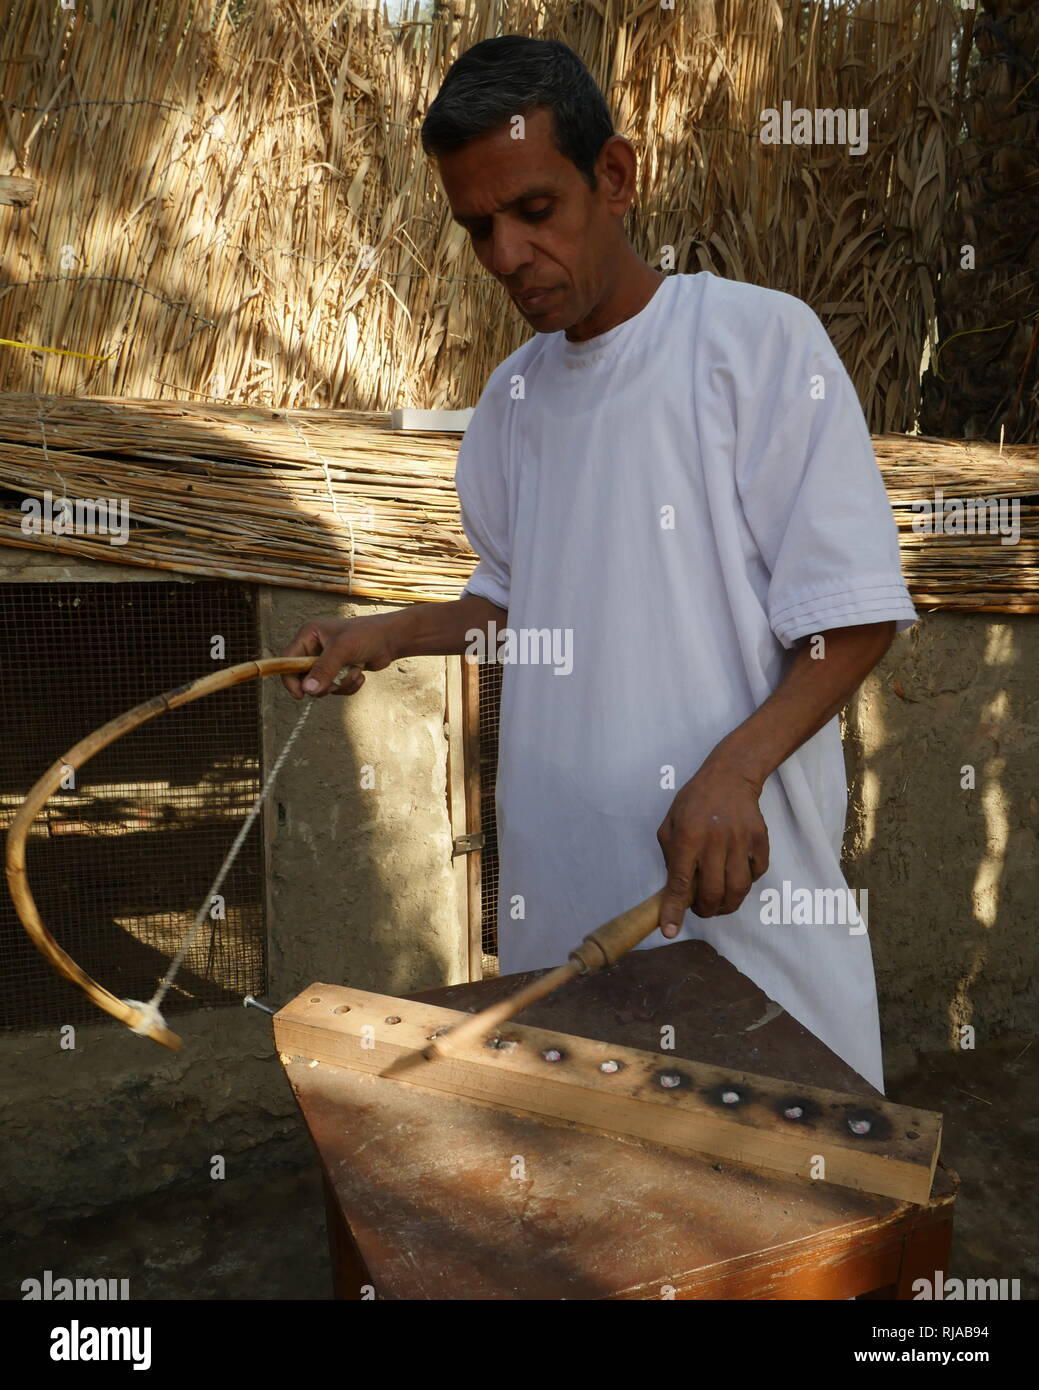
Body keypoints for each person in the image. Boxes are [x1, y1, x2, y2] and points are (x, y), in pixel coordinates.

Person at [280, 36, 917, 1093]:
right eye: (477, 228)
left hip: (734, 911)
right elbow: (515, 605)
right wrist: (381, 634)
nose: (505, 256)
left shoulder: (755, 346)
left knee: (789, 1213)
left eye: (533, 211)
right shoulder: (510, 405)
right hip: (565, 908)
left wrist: (736, 768)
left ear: (614, 177)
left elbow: (849, 616)